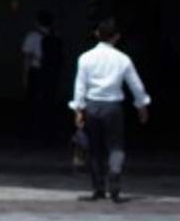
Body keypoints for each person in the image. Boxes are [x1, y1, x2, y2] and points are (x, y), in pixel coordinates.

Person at [70, 18, 151, 203]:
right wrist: (142, 105)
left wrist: (78, 108)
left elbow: (80, 85)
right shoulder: (123, 59)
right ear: (117, 37)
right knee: (116, 146)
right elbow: (136, 84)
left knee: (94, 148)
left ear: (97, 34)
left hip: (92, 105)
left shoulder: (85, 58)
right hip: (113, 107)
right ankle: (114, 172)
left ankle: (98, 188)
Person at [21, 11, 62, 142]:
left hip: (36, 72)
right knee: (49, 102)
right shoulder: (56, 36)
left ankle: (33, 133)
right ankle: (48, 133)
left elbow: (27, 58)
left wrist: (25, 76)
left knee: (33, 103)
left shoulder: (32, 36)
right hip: (50, 74)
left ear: (37, 22)